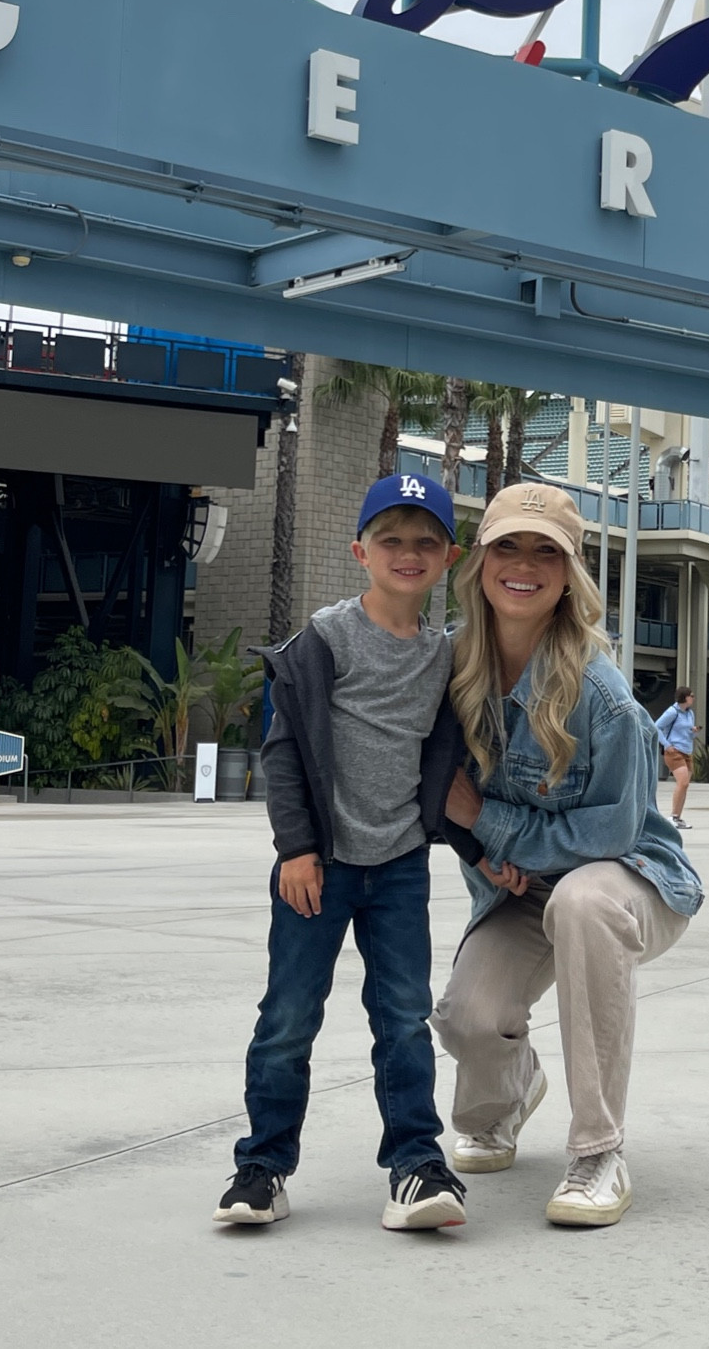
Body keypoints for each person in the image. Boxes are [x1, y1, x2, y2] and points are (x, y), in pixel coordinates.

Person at [214, 473, 497, 1236]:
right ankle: (262, 1166)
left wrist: (482, 848)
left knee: (402, 1018)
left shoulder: (445, 656)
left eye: (425, 542)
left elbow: (448, 769)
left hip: (401, 865)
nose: (408, 554)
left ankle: (415, 1165)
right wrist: (296, 849)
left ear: (449, 557)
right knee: (287, 1017)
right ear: (360, 551)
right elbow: (284, 754)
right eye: (391, 540)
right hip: (319, 867)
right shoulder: (326, 637)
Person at [432, 482, 703, 1229]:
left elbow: (613, 834)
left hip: (628, 881)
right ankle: (511, 1092)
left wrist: (494, 824)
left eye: (544, 551)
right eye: (507, 547)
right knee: (465, 1019)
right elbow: (435, 793)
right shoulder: (452, 671)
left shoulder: (603, 696)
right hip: (519, 888)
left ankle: (597, 1151)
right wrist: (485, 854)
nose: (524, 565)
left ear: (569, 572)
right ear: (479, 563)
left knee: (583, 899)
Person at [654, 686, 700, 827]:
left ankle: (678, 817)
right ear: (684, 697)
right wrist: (666, 745)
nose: (693, 698)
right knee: (683, 782)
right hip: (674, 752)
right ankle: (673, 816)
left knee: (685, 785)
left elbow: (689, 734)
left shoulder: (689, 713)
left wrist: (694, 732)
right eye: (691, 696)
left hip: (687, 751)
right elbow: (656, 727)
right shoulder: (672, 712)